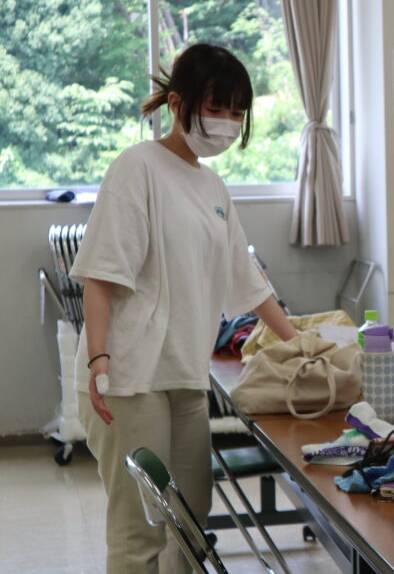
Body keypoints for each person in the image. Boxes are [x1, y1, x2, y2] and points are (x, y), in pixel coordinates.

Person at [73, 43, 299, 573]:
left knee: (191, 522)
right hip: (130, 378)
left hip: (185, 376)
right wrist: (99, 360)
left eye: (237, 112)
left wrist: (301, 345)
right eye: (216, 108)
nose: (227, 123)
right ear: (178, 103)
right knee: (140, 531)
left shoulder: (212, 184)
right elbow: (101, 273)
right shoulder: (138, 166)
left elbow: (247, 279)